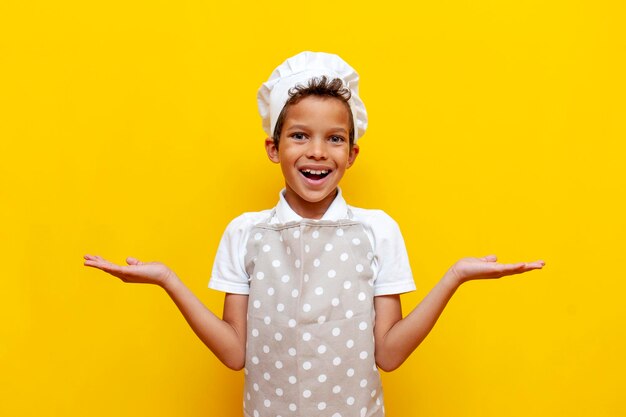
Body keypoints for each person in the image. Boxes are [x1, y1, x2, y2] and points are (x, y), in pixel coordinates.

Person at [84, 51, 544, 417]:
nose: (318, 153)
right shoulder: (244, 234)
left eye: (335, 139)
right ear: (273, 147)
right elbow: (234, 353)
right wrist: (168, 280)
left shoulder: (377, 231)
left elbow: (388, 354)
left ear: (352, 152)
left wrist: (454, 277)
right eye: (300, 136)